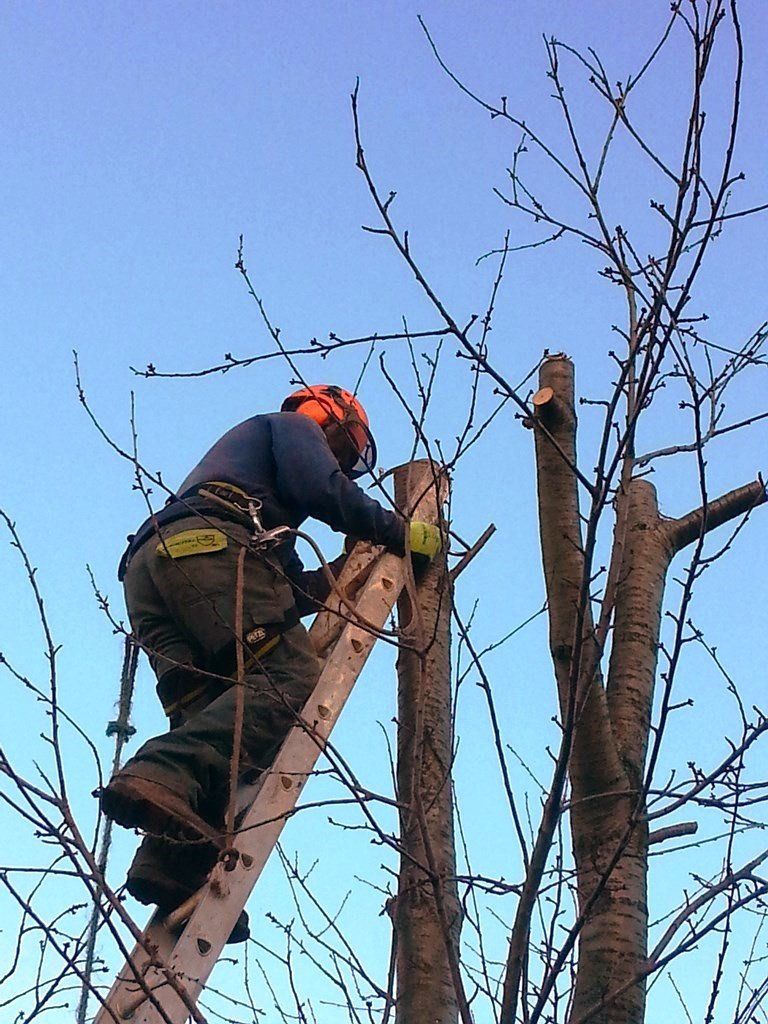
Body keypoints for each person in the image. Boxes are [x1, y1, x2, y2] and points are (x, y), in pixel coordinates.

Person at [100, 384, 440, 941]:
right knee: (289, 682)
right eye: (346, 453)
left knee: (214, 714)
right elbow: (322, 488)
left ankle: (172, 864)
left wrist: (337, 575)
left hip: (155, 571)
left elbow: (277, 591)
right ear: (331, 420)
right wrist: (399, 532)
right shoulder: (292, 429)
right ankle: (157, 769)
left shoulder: (255, 498)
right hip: (210, 548)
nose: (343, 465)